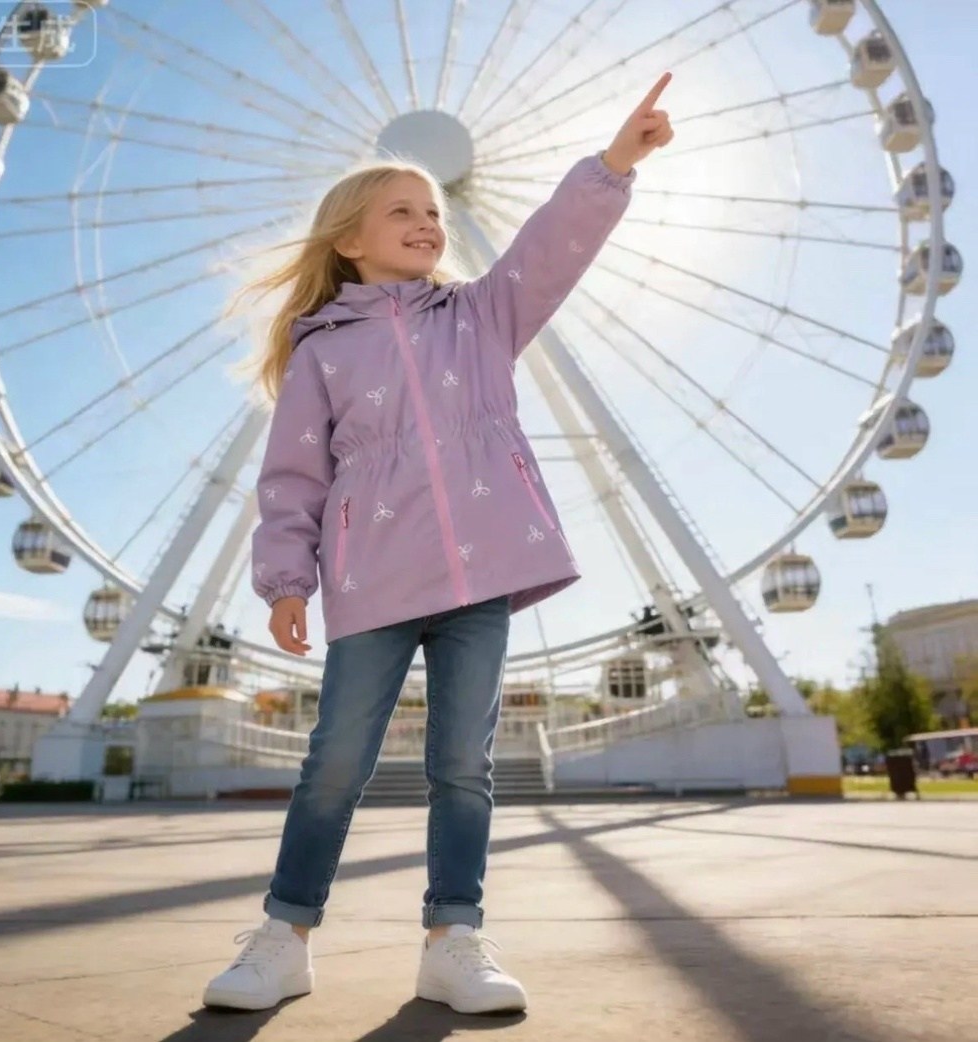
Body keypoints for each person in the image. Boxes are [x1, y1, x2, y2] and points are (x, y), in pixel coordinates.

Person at [203, 73, 675, 1016]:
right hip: (371, 580)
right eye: (402, 210)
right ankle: (283, 940)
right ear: (350, 239)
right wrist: (286, 579)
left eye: (432, 209)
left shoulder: (480, 315)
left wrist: (613, 165)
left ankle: (453, 939)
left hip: (482, 577)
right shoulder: (322, 351)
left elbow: (550, 250)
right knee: (336, 760)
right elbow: (293, 476)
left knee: (463, 764)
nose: (427, 220)